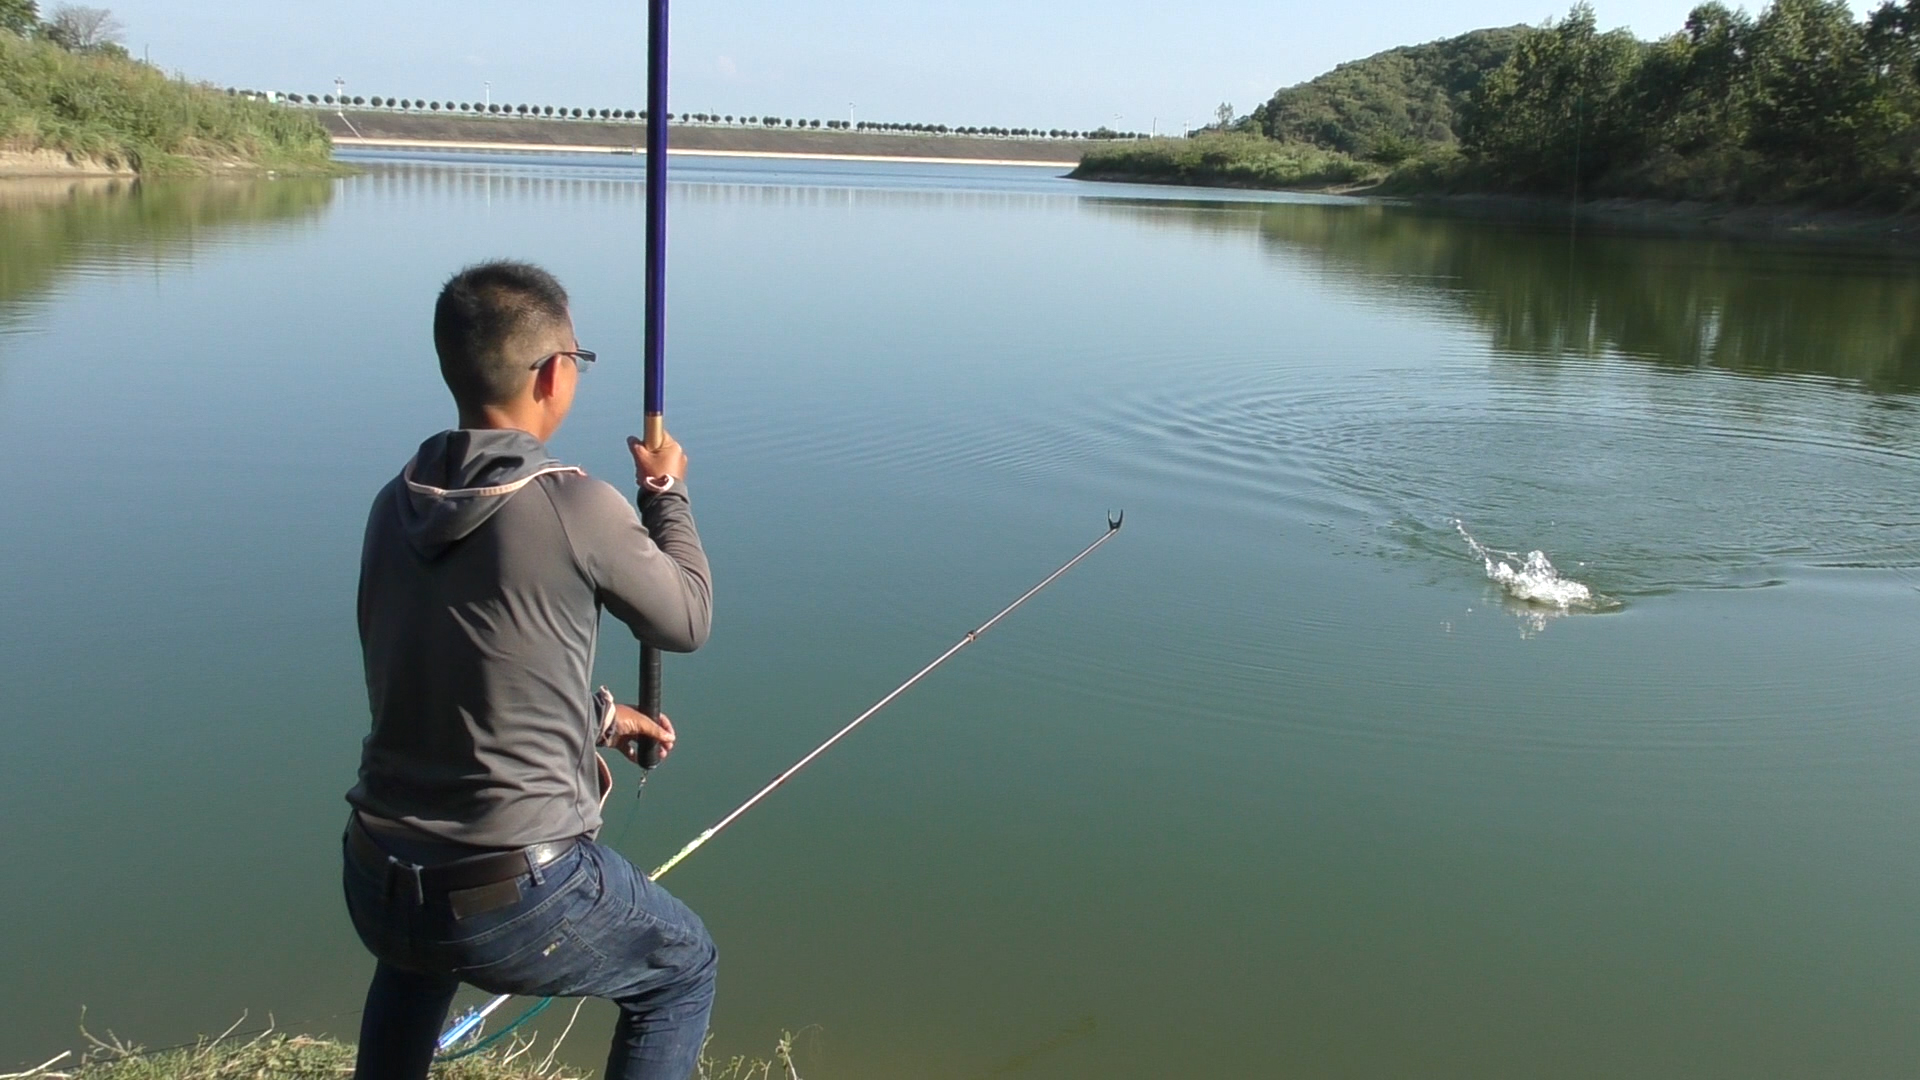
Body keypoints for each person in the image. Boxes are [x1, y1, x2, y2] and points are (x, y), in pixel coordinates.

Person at [341, 260, 715, 1080]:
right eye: (576, 361)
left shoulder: (393, 504)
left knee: (416, 959)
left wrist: (603, 720)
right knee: (683, 969)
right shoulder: (572, 503)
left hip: (376, 878)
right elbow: (686, 618)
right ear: (552, 374)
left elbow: (449, 689)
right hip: (514, 896)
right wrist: (665, 494)